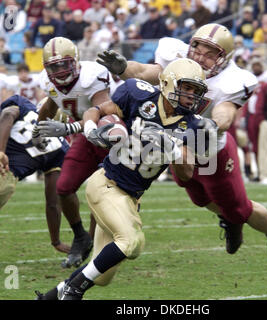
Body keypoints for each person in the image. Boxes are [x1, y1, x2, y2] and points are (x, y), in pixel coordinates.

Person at [96, 23, 267, 281]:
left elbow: (226, 111)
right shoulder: (176, 55)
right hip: (180, 146)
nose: (200, 57)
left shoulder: (233, 79)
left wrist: (213, 124)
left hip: (212, 151)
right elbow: (149, 71)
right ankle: (228, 218)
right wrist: (125, 69)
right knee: (199, 198)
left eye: (210, 53)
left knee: (238, 209)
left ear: (224, 57)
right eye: (198, 49)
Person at [35, 58, 210, 300]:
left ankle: (50, 297)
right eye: (187, 88)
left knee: (102, 274)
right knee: (132, 242)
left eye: (196, 91)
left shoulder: (193, 125)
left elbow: (187, 173)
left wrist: (173, 150)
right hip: (106, 183)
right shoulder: (138, 94)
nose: (191, 95)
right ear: (168, 83)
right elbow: (97, 111)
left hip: (130, 198)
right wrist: (86, 129)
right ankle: (74, 292)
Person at [32, 36, 114, 268]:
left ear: (76, 61)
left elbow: (103, 113)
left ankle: (96, 243)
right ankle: (81, 238)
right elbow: (51, 104)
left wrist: (68, 128)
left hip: (112, 137)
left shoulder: (92, 77)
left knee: (101, 193)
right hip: (85, 138)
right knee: (64, 187)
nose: (59, 71)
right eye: (53, 66)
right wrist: (39, 129)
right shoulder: (49, 83)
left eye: (63, 64)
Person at [0, 94, 70, 253]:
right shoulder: (61, 150)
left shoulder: (24, 106)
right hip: (5, 175)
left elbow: (7, 114)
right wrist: (56, 241)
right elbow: (53, 202)